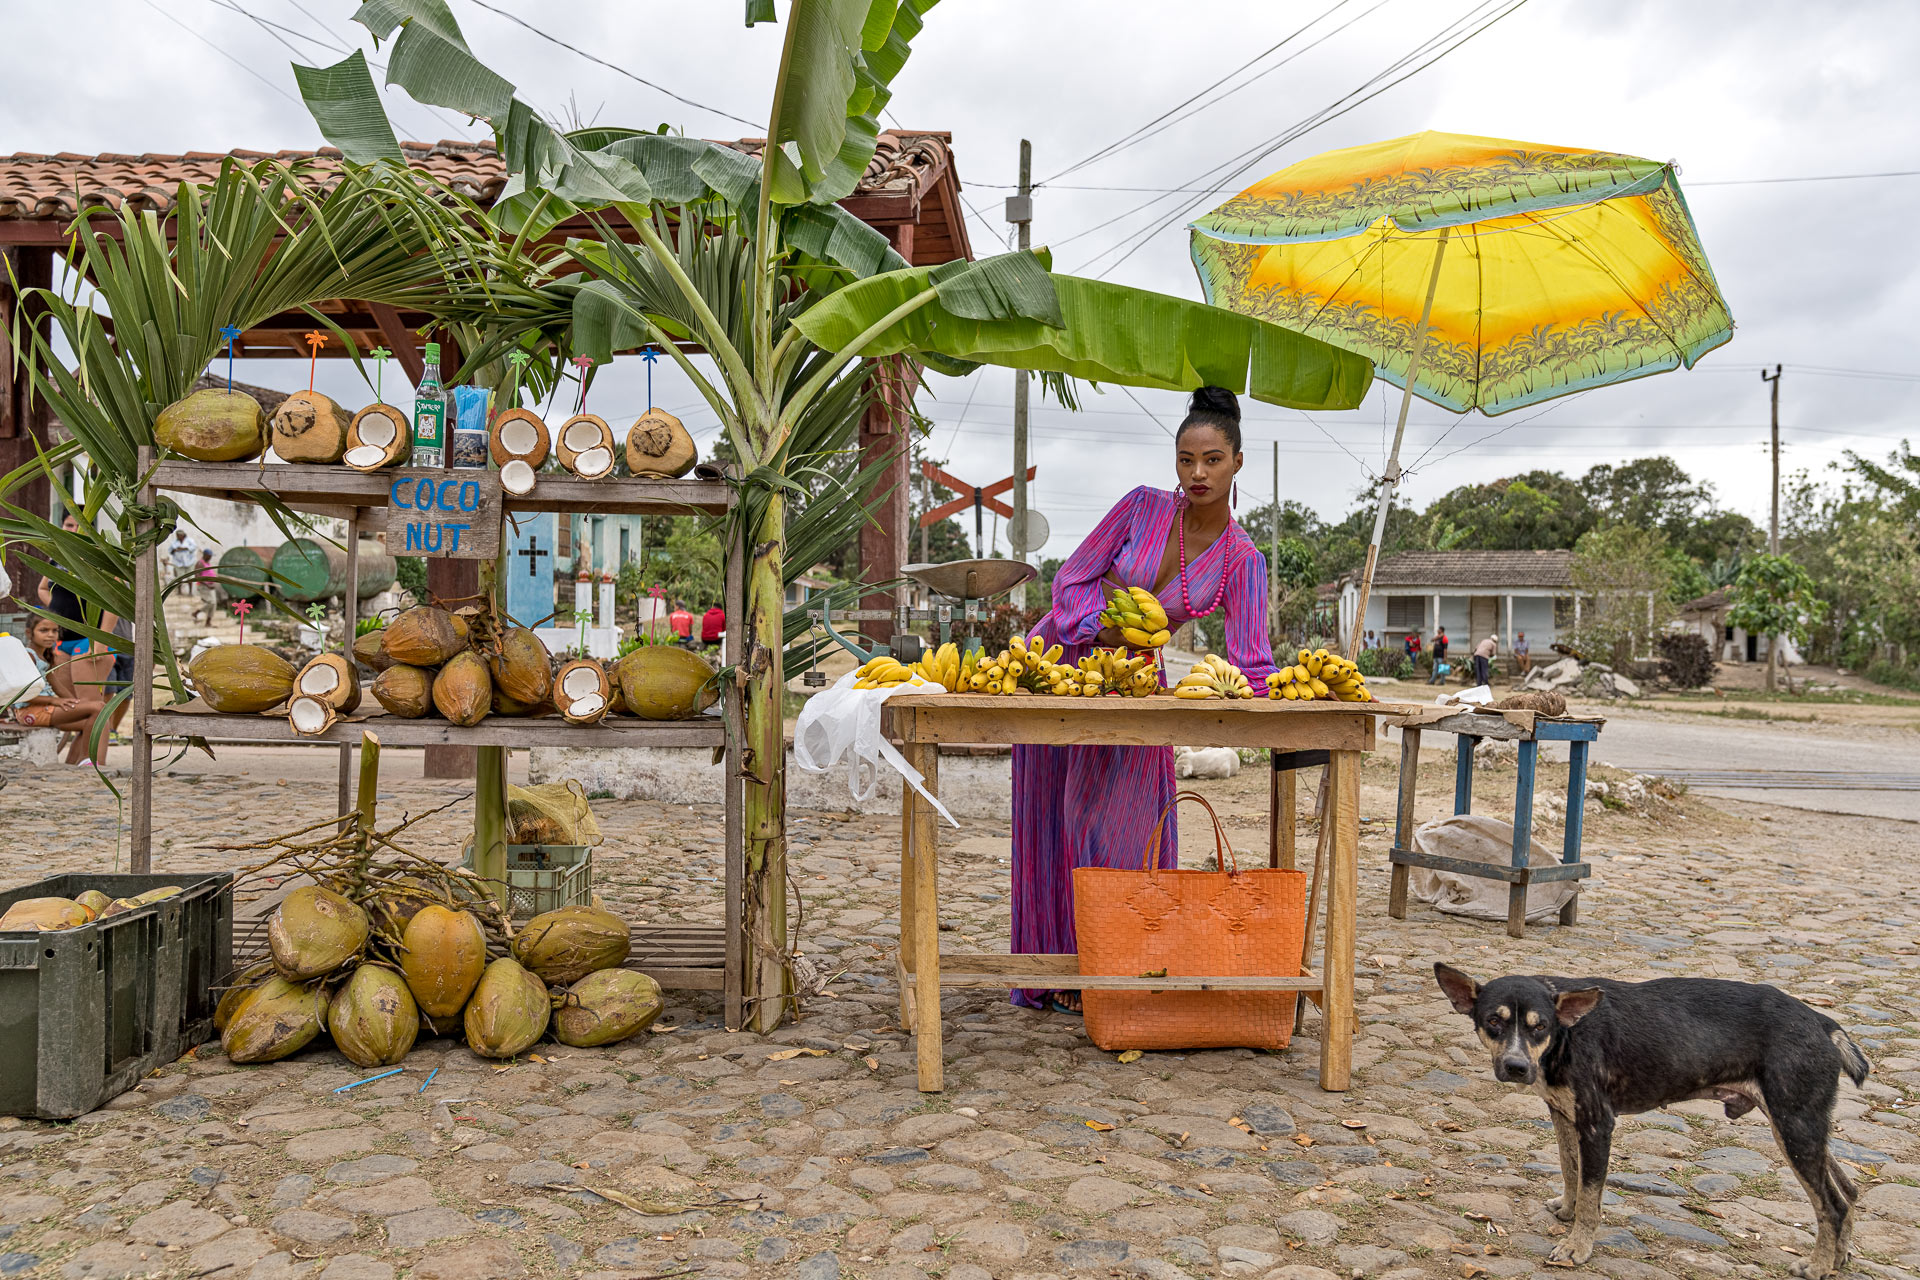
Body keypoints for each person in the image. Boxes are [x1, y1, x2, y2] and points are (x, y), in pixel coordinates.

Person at [1012, 386, 1277, 1015]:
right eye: (1186, 460)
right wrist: (1099, 627)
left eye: (1212, 459)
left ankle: (1117, 967)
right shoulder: (1140, 508)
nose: (1197, 474)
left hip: (1134, 684)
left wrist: (1266, 693)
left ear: (1238, 461)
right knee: (1051, 819)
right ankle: (1055, 973)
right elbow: (1070, 578)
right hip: (1062, 662)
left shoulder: (1243, 559)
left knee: (1120, 825)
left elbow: (1249, 657)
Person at [6, 615, 106, 765]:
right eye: (44, 630)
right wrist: (55, 700)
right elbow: (22, 694)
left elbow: (56, 685)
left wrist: (76, 703)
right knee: (99, 707)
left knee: (89, 721)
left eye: (55, 630)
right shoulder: (29, 656)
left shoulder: (45, 656)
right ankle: (88, 760)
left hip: (45, 708)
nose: (50, 635)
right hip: (31, 711)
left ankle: (74, 764)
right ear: (29, 633)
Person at [166, 526, 199, 596]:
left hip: (189, 562)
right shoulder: (174, 542)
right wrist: (174, 550)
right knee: (179, 578)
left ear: (183, 535)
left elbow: (194, 547)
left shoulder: (190, 541)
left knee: (190, 578)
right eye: (177, 535)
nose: (178, 536)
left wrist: (184, 548)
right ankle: (179, 591)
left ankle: (190, 592)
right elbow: (170, 550)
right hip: (178, 563)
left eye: (179, 535)